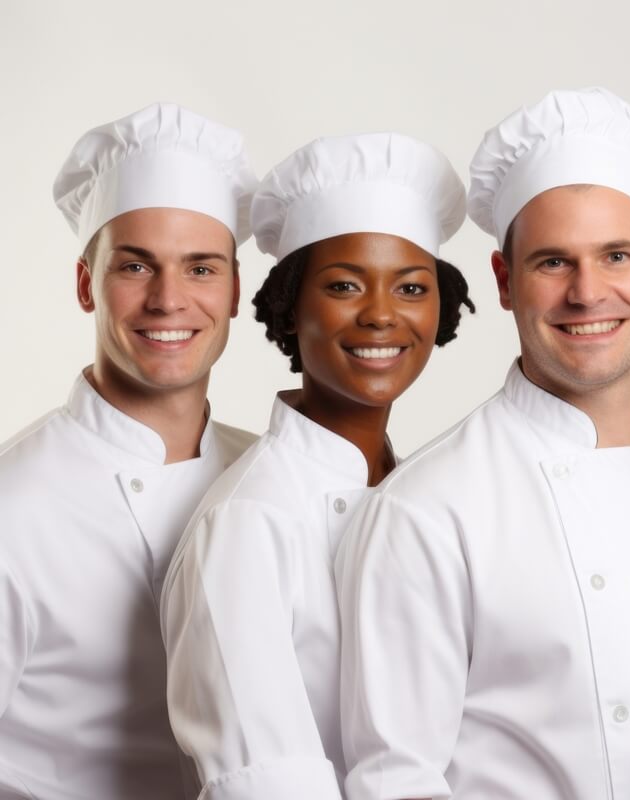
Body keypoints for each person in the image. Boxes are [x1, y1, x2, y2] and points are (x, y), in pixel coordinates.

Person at [335, 87, 630, 800]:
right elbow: (395, 779)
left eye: (617, 255)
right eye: (552, 263)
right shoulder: (426, 506)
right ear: (504, 282)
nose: (588, 292)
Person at [160, 133, 475, 799]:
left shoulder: (432, 493)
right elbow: (265, 782)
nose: (383, 314)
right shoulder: (248, 522)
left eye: (412, 286)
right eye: (343, 285)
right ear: (289, 306)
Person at [0, 103, 257, 798]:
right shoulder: (13, 504)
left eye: (201, 269)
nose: (169, 300)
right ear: (87, 285)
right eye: (136, 267)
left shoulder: (266, 476)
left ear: (236, 292)